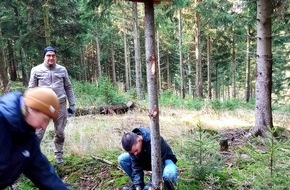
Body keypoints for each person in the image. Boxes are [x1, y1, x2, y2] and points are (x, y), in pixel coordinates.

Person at [0, 87, 70, 189]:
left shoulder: (28, 140)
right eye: (44, 119)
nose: (44, 126)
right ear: (31, 109)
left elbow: (45, 176)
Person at [28, 46, 76, 164]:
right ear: (44, 56)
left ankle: (58, 156)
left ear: (56, 57)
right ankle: (32, 157)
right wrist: (29, 106)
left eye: (53, 56)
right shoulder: (36, 70)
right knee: (38, 133)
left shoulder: (62, 70)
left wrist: (72, 104)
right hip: (42, 106)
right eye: (48, 56)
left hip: (60, 104)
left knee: (60, 132)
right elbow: (31, 88)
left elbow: (68, 87)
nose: (51, 58)